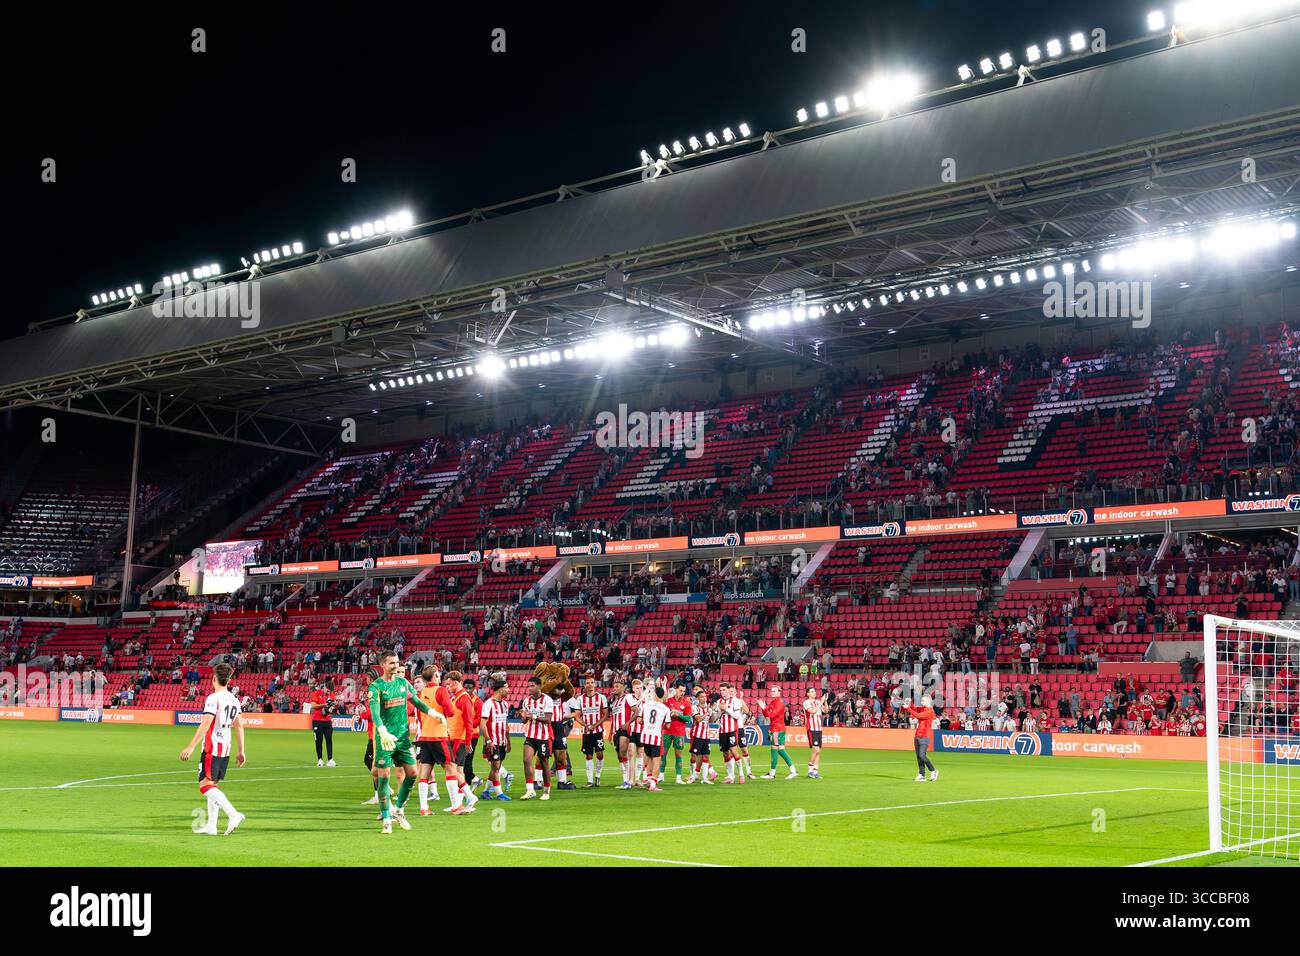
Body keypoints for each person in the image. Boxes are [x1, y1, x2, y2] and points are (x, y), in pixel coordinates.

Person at [368, 650, 438, 833]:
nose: (396, 666)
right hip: (385, 740)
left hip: (403, 738)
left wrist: (432, 712)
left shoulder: (402, 683)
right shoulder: (375, 687)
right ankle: (386, 820)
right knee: (383, 779)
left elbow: (416, 702)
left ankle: (399, 810)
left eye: (397, 662)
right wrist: (382, 731)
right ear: (382, 664)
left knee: (413, 773)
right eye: (391, 663)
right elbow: (375, 712)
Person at [179, 661, 246, 836]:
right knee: (213, 785)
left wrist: (191, 746)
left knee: (204, 786)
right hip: (226, 747)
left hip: (212, 747)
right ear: (229, 680)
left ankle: (233, 814)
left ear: (214, 679)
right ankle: (212, 825)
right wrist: (241, 750)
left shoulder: (213, 698)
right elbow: (239, 726)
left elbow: (206, 723)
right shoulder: (234, 699)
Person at [414, 666, 450, 814]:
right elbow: (450, 711)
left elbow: (420, 717)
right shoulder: (441, 690)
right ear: (436, 675)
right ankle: (457, 804)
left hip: (424, 736)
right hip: (439, 735)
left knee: (424, 773)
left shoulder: (420, 694)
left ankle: (424, 808)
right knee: (451, 768)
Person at [519, 676, 555, 800]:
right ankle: (530, 790)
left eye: (532, 685)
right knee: (526, 760)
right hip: (530, 735)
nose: (530, 688)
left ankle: (546, 790)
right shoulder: (526, 701)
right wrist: (523, 716)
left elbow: (548, 720)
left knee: (544, 763)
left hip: (543, 736)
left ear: (539, 686)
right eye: (529, 686)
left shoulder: (547, 700)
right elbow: (524, 721)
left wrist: (532, 716)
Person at [477, 677, 513, 800]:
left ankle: (486, 791)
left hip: (502, 740)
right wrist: (488, 740)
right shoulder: (488, 704)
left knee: (495, 767)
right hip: (493, 741)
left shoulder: (505, 704)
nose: (509, 690)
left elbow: (505, 723)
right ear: (500, 689)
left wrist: (508, 741)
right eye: (507, 687)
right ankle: (499, 793)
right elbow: (482, 724)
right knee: (496, 766)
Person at [757, 685, 797, 779]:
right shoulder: (773, 702)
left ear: (779, 692)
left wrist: (763, 707)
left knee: (775, 749)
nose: (772, 692)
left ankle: (773, 773)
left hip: (777, 729)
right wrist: (764, 709)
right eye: (772, 691)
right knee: (780, 749)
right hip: (777, 728)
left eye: (775, 691)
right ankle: (792, 770)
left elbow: (771, 715)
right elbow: (767, 715)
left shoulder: (779, 702)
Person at [637, 684, 672, 791]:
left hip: (645, 735)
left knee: (648, 756)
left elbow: (639, 720)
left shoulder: (645, 705)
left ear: (654, 695)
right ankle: (653, 784)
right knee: (657, 760)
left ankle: (648, 778)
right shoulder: (666, 709)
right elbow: (668, 725)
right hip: (656, 736)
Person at [576, 676, 609, 787]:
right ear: (585, 686)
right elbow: (577, 716)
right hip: (586, 732)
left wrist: (595, 725)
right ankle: (590, 781)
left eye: (592, 682)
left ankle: (598, 776)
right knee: (589, 756)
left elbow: (605, 714)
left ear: (595, 685)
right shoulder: (580, 699)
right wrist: (586, 725)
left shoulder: (601, 698)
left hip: (598, 731)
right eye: (588, 683)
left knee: (599, 754)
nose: (590, 684)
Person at [716, 683, 749, 784]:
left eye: (724, 690)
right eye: (721, 690)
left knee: (734, 751)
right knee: (725, 754)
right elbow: (715, 718)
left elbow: (737, 716)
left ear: (728, 690)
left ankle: (741, 774)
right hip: (722, 731)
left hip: (732, 730)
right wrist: (719, 712)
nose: (722, 692)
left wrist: (726, 709)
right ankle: (730, 777)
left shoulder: (736, 701)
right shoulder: (719, 702)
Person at [661, 683, 692, 785]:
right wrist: (670, 714)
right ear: (675, 690)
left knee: (678, 754)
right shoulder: (668, 701)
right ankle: (661, 775)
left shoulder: (686, 703)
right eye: (680, 690)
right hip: (667, 731)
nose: (682, 693)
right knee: (663, 753)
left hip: (679, 732)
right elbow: (662, 713)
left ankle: (678, 778)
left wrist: (678, 715)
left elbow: (688, 718)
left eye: (684, 691)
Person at [903, 694, 938, 782]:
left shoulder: (930, 711)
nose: (921, 702)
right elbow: (915, 709)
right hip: (918, 735)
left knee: (922, 755)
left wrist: (908, 708)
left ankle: (933, 770)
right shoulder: (923, 709)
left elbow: (918, 716)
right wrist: (909, 703)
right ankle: (922, 775)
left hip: (924, 736)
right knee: (919, 756)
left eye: (923, 701)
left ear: (928, 701)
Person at [687, 688, 716, 784]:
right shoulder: (695, 708)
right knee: (694, 756)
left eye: (705, 696)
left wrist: (713, 713)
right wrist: (707, 713)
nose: (704, 698)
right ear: (698, 698)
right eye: (702, 697)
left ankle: (704, 779)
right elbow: (698, 719)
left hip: (706, 736)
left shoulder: (709, 709)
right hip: (697, 735)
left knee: (706, 757)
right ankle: (692, 776)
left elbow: (711, 721)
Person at [309, 680, 337, 767]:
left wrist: (331, 707)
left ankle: (330, 759)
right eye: (327, 690)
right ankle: (320, 759)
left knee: (329, 740)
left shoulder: (331, 694)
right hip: (317, 720)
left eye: (330, 691)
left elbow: (331, 708)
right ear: (324, 687)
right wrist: (324, 704)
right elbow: (313, 706)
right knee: (318, 741)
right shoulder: (317, 693)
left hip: (327, 721)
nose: (328, 692)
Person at [802, 687, 824, 779]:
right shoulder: (806, 703)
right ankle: (810, 770)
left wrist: (825, 701)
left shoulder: (818, 702)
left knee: (818, 751)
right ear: (808, 694)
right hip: (812, 728)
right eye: (812, 691)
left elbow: (826, 711)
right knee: (816, 750)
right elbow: (812, 711)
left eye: (815, 691)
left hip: (819, 728)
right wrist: (821, 702)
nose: (814, 693)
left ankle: (815, 771)